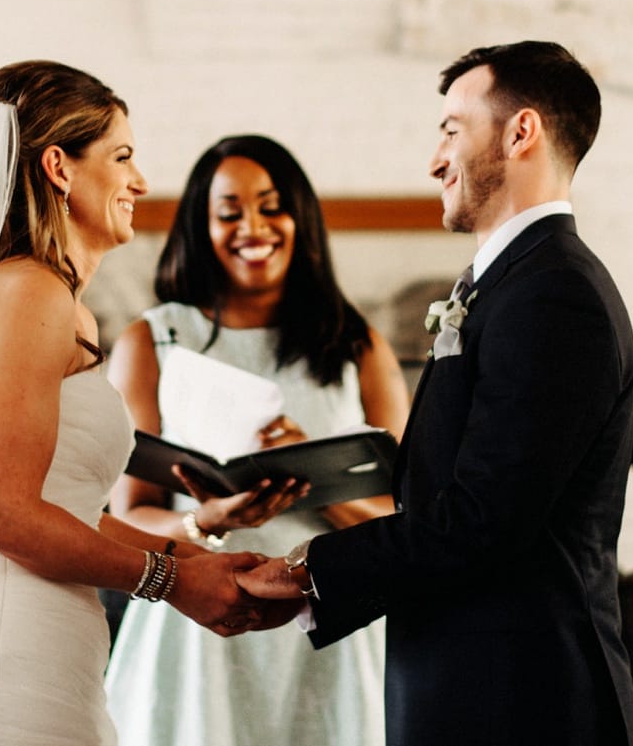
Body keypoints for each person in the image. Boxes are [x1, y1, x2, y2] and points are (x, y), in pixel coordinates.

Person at [0, 62, 290, 746]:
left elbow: (67, 514)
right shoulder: (29, 291)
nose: (141, 181)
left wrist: (196, 560)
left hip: (37, 647)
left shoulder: (57, 306)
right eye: (122, 156)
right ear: (60, 166)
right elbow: (4, 515)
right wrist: (168, 583)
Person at [243, 41, 633, 746]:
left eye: (451, 129)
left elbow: (483, 519)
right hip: (471, 684)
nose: (434, 160)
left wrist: (312, 570)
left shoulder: (554, 294)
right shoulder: (509, 284)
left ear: (521, 132)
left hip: (521, 701)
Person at [105, 134, 409, 746]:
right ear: (202, 225)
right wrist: (207, 519)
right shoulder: (153, 341)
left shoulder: (358, 347)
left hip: (330, 629)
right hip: (196, 629)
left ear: (300, 217)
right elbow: (125, 514)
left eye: (272, 206)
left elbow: (407, 522)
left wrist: (311, 477)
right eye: (229, 212)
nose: (254, 227)